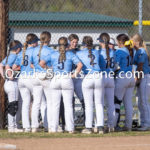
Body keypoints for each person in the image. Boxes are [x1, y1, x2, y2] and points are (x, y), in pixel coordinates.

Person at [39, 37, 82, 133]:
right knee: (68, 106)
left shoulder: (53, 54)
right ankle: (70, 128)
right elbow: (80, 65)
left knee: (55, 105)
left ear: (58, 45)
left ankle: (53, 128)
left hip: (56, 78)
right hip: (67, 78)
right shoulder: (70, 54)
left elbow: (41, 63)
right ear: (67, 45)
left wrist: (49, 69)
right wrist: (74, 75)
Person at [76, 36, 105, 134]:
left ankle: (88, 127)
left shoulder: (79, 53)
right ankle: (100, 127)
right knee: (99, 103)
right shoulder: (97, 52)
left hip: (87, 77)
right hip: (98, 76)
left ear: (83, 44)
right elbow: (101, 65)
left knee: (88, 105)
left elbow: (77, 66)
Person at [13, 33, 39, 132]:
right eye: (36, 42)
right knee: (38, 100)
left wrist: (22, 67)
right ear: (33, 43)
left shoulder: (22, 52)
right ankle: (34, 126)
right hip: (30, 78)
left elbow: (14, 67)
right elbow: (34, 65)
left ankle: (26, 127)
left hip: (21, 78)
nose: (37, 44)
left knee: (25, 103)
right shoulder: (34, 51)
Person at [31, 31, 53, 132]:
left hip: (35, 76)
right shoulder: (50, 50)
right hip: (45, 76)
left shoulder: (34, 49)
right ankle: (48, 125)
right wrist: (48, 69)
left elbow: (31, 64)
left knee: (36, 102)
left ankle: (34, 126)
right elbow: (50, 64)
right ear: (49, 39)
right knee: (50, 101)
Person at [0, 40, 23, 133]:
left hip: (8, 83)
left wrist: (4, 76)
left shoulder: (9, 55)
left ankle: (13, 126)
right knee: (13, 105)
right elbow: (7, 66)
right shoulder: (14, 56)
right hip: (12, 83)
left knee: (13, 105)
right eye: (20, 48)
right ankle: (12, 127)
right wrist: (10, 76)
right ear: (17, 49)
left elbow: (1, 65)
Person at [114, 34, 135, 131]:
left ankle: (113, 125)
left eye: (117, 42)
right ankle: (128, 125)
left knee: (117, 102)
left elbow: (116, 66)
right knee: (128, 103)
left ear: (120, 42)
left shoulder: (119, 51)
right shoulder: (130, 51)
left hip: (122, 77)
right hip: (130, 77)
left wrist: (112, 74)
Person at [98, 33, 115, 132]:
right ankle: (111, 125)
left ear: (101, 42)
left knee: (99, 102)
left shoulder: (99, 52)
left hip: (102, 77)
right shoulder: (112, 52)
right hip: (111, 77)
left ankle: (99, 124)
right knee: (110, 103)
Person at [132, 33, 150, 131]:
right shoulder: (137, 51)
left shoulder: (142, 51)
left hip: (144, 77)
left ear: (137, 42)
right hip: (141, 77)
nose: (131, 43)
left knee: (144, 101)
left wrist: (137, 79)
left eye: (133, 41)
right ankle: (143, 123)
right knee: (140, 102)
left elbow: (140, 66)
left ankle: (147, 123)